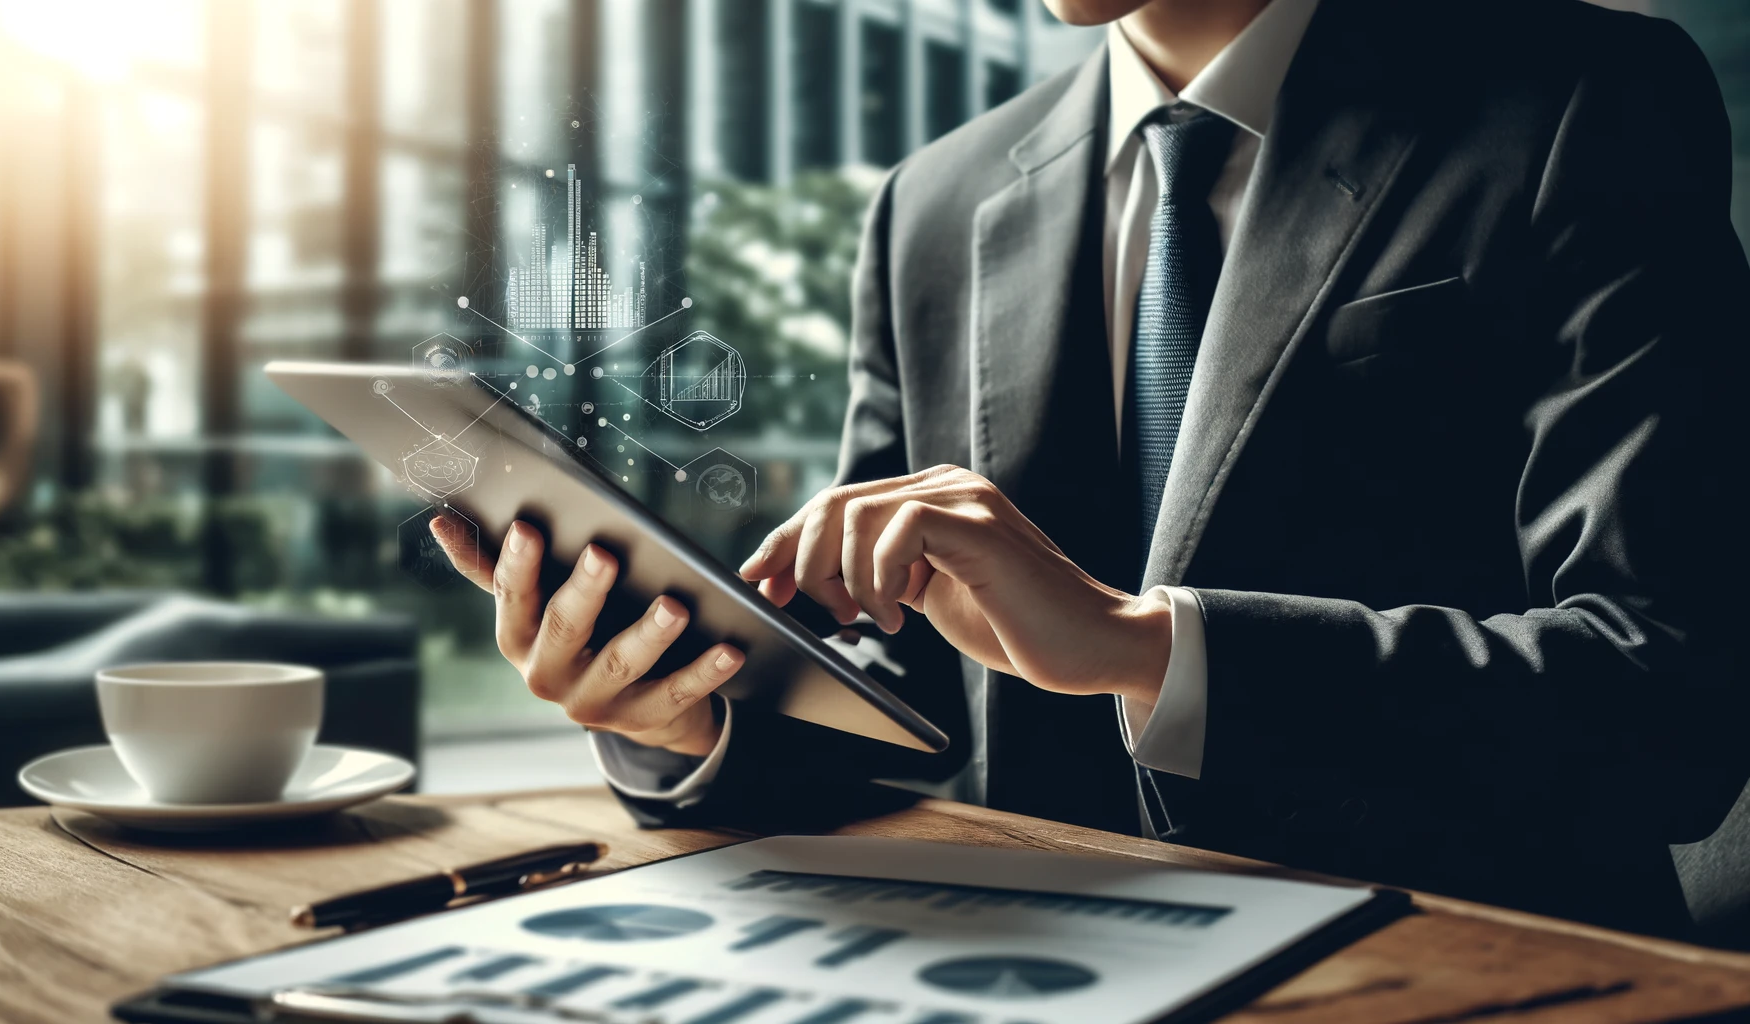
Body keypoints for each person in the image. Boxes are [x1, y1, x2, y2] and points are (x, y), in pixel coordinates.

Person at [433, 0, 1750, 938]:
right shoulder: (935, 204)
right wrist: (686, 713)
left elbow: (1666, 697)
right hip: (1042, 964)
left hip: (1459, 963)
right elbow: (900, 697)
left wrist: (1145, 646)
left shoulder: (1579, 97)